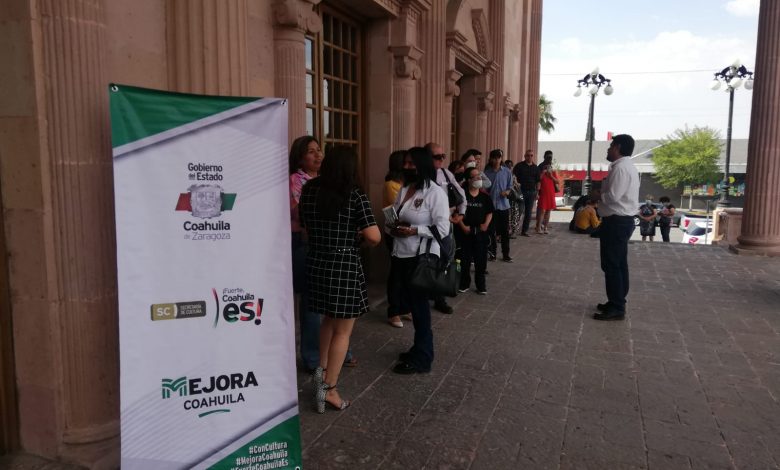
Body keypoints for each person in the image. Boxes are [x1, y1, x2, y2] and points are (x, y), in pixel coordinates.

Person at [299, 145, 380, 412]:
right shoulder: (354, 194)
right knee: (343, 331)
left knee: (327, 322)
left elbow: (304, 226)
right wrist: (356, 237)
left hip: (316, 261)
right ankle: (329, 390)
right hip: (344, 264)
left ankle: (320, 375)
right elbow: (374, 236)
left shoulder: (309, 190)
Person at [289, 136, 357, 372]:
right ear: (299, 157)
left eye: (319, 150)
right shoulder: (295, 181)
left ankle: (337, 352)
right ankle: (313, 356)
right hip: (304, 243)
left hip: (329, 245)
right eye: (311, 151)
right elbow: (301, 215)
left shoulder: (327, 181)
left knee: (333, 301)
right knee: (312, 301)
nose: (318, 155)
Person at [389, 147, 450, 374]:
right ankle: (418, 347)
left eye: (411, 163)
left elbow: (443, 229)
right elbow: (397, 215)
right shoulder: (406, 188)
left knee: (420, 308)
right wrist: (394, 226)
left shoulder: (435, 193)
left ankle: (423, 358)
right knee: (412, 305)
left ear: (422, 165)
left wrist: (415, 230)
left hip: (420, 257)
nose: (406, 167)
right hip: (401, 253)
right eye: (405, 163)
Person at [595, 134, 639, 321]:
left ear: (618, 147)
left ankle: (617, 306)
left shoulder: (621, 168)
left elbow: (613, 196)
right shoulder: (625, 167)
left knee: (612, 264)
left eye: (611, 145)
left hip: (617, 221)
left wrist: (598, 195)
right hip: (619, 221)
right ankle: (616, 300)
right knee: (618, 263)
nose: (608, 149)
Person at [427, 142, 465, 315]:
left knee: (444, 260)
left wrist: (461, 213)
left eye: (443, 156)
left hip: (444, 225)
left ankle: (439, 298)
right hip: (424, 225)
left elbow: (460, 194)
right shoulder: (420, 176)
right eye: (437, 157)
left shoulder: (445, 173)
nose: (441, 160)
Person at [456, 167, 493, 294]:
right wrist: (463, 226)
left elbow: (489, 212)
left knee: (481, 260)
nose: (479, 178)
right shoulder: (462, 196)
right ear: (469, 180)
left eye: (479, 175)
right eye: (475, 176)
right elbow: (456, 213)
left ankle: (481, 285)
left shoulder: (485, 197)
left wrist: (485, 224)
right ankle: (464, 283)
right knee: (465, 260)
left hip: (481, 233)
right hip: (465, 232)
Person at [384, 150, 410, 328]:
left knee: (407, 273)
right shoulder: (391, 185)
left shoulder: (407, 183)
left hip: (408, 232)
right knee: (397, 273)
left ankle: (404, 307)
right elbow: (397, 211)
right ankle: (393, 311)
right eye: (407, 162)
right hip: (395, 233)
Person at [483, 149, 514, 262]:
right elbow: (484, 189)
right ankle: (493, 253)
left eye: (499, 158)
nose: (497, 160)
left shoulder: (507, 172)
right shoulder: (486, 173)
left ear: (501, 159)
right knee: (491, 232)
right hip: (491, 207)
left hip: (503, 206)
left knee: (505, 232)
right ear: (491, 159)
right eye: (494, 158)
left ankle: (506, 254)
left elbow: (510, 187)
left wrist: (507, 192)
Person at [513, 149, 540, 237]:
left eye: (531, 155)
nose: (530, 157)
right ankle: (514, 230)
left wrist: (537, 192)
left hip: (531, 192)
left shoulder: (536, 168)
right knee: (519, 211)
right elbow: (513, 177)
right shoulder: (519, 166)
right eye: (528, 155)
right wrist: (516, 185)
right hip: (520, 192)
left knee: (528, 213)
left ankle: (524, 231)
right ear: (525, 156)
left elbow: (538, 181)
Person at [535, 161, 560, 234]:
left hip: (551, 194)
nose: (549, 169)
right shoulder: (542, 174)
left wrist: (551, 175)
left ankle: (545, 227)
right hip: (543, 195)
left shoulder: (553, 174)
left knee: (548, 210)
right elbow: (538, 180)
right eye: (547, 168)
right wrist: (543, 173)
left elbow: (557, 182)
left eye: (550, 168)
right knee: (542, 211)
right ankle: (538, 228)